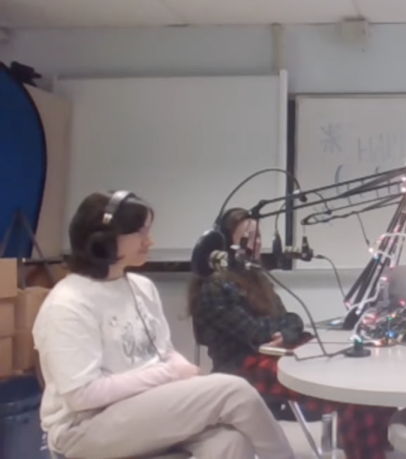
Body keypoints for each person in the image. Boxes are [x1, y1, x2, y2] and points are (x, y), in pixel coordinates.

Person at [33, 191, 296, 459]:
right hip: (84, 429)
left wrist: (181, 371)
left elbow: (164, 353)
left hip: (145, 408)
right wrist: (169, 374)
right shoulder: (67, 304)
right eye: (141, 233)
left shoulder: (141, 287)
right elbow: (83, 395)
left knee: (229, 442)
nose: (151, 241)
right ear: (103, 240)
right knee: (234, 390)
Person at [188, 207, 396, 459]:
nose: (255, 243)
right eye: (247, 236)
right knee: (354, 398)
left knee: (368, 386)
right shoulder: (215, 287)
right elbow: (256, 335)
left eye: (258, 235)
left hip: (277, 354)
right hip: (243, 369)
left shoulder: (256, 276)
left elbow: (292, 320)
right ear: (225, 242)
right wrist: (281, 329)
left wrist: (284, 333)